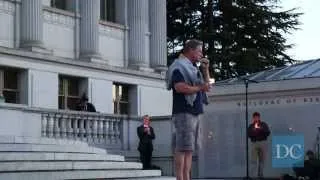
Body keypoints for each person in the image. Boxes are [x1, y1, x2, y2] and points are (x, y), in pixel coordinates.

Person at [166, 39, 211, 180]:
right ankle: (181, 177)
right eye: (199, 50)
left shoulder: (192, 68)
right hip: (184, 111)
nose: (201, 54)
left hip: (194, 112)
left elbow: (207, 86)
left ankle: (186, 177)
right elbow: (179, 87)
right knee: (182, 148)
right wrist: (200, 88)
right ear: (191, 50)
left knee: (189, 149)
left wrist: (205, 69)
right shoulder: (179, 66)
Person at [248, 112, 270, 178]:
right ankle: (252, 176)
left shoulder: (263, 124)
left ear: (259, 117)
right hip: (254, 143)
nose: (256, 118)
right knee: (253, 161)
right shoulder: (251, 126)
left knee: (262, 160)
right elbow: (249, 134)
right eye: (255, 117)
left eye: (257, 117)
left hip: (263, 143)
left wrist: (261, 130)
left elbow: (268, 133)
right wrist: (254, 131)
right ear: (253, 118)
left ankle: (260, 175)